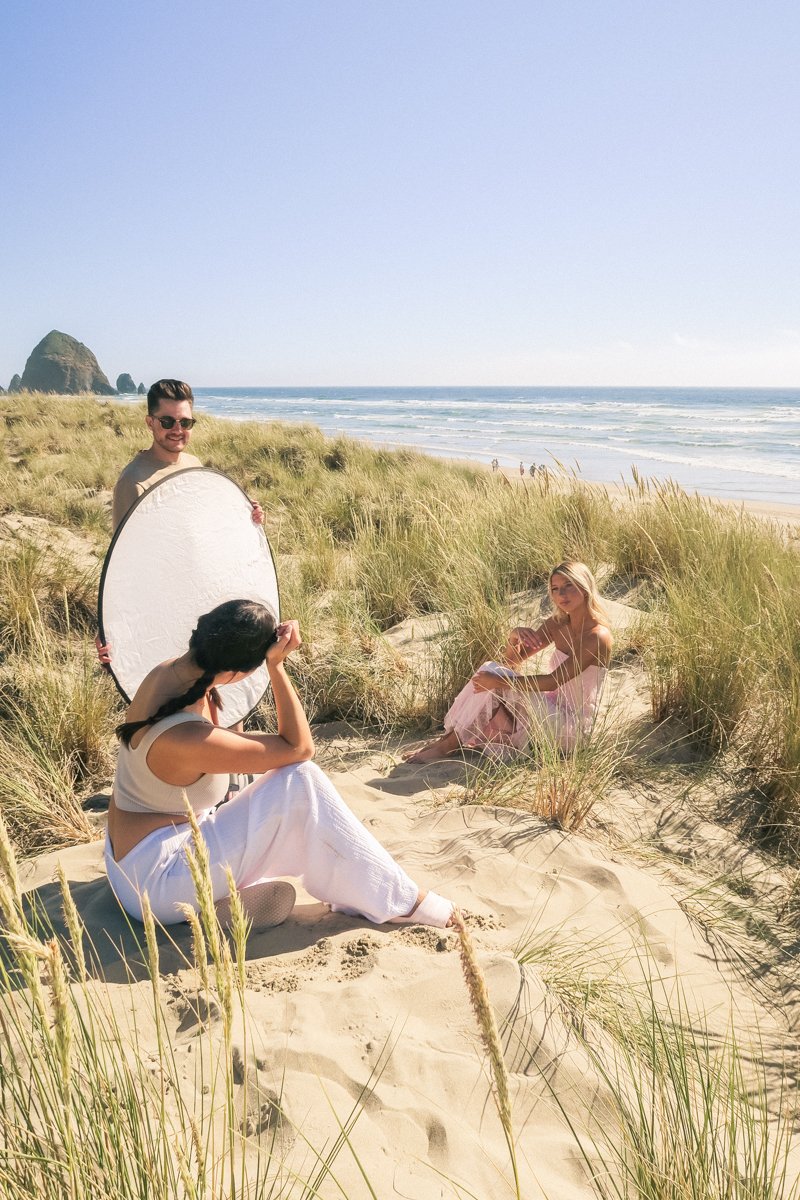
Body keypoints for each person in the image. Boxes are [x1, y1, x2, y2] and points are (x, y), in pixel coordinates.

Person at [106, 599, 454, 932]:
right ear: (237, 671)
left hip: (132, 862)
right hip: (156, 883)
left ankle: (219, 898)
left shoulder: (169, 673)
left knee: (283, 789)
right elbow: (301, 748)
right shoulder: (185, 738)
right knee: (299, 781)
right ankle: (401, 901)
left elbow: (233, 741)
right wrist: (277, 666)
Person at [98, 379, 264, 667]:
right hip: (160, 603)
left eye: (186, 422)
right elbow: (123, 565)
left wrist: (247, 519)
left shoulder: (194, 465)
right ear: (150, 422)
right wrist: (109, 628)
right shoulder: (133, 482)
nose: (178, 430)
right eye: (168, 421)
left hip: (199, 591)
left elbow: (209, 528)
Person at [404, 561, 612, 764]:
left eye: (569, 586)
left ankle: (446, 746)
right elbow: (511, 662)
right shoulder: (557, 624)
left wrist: (498, 681)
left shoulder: (597, 636)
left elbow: (552, 681)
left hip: (572, 726)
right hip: (549, 709)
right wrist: (513, 638)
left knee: (494, 676)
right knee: (492, 670)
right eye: (555, 589)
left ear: (585, 588)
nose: (562, 595)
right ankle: (446, 741)